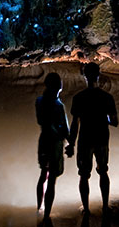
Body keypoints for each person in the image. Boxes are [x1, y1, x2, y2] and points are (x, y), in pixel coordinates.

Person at [65, 62, 119, 215]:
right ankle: (105, 206)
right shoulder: (107, 97)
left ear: (85, 76)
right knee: (103, 171)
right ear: (98, 75)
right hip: (102, 138)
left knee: (83, 175)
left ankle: (86, 209)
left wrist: (71, 144)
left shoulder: (79, 98)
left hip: (85, 140)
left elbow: (75, 123)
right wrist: (104, 118)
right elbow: (115, 122)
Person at [35, 72, 69, 220]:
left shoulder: (39, 101)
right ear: (58, 86)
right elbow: (66, 130)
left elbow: (41, 121)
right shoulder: (58, 105)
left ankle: (39, 208)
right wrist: (71, 143)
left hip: (43, 140)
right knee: (52, 179)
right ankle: (47, 215)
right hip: (55, 143)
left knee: (43, 174)